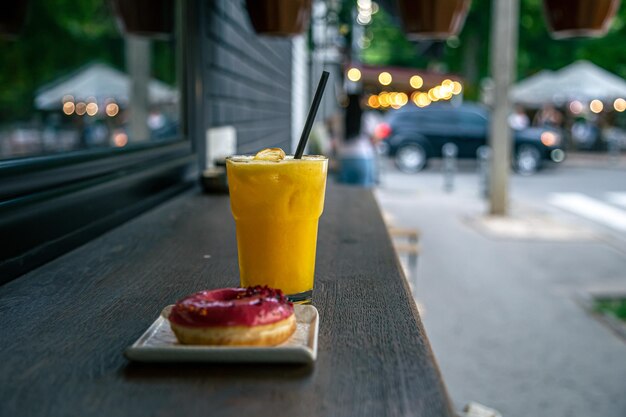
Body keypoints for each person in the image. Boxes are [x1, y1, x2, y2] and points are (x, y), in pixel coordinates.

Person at [337, 94, 376, 187]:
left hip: (344, 158)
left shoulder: (339, 117)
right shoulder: (367, 117)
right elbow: (374, 139)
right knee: (363, 191)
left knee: (345, 191)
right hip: (362, 157)